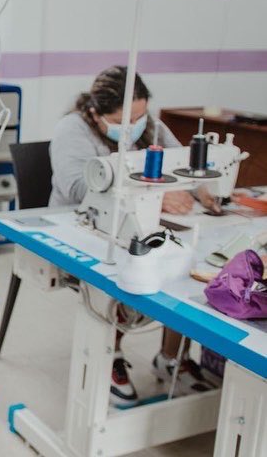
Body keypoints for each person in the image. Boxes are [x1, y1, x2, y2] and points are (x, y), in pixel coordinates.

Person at [50, 65, 216, 407]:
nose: (136, 125)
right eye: (126, 119)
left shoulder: (151, 126)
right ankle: (110, 356)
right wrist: (154, 191)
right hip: (82, 226)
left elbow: (182, 163)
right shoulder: (72, 129)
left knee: (187, 265)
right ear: (96, 112)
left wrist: (203, 191)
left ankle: (171, 358)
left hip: (141, 224)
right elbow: (77, 186)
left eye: (140, 115)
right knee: (127, 273)